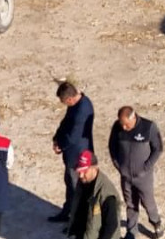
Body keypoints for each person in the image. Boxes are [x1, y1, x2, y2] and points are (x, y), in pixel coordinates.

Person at [106, 106, 165, 239]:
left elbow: (158, 149)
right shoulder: (117, 127)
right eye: (121, 124)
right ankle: (131, 231)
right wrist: (119, 166)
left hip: (144, 177)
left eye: (126, 124)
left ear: (133, 117)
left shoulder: (148, 127)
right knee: (130, 204)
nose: (124, 127)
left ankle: (156, 223)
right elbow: (112, 147)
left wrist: (146, 167)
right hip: (126, 176)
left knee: (148, 203)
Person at [48, 81, 94, 224]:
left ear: (69, 99)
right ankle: (68, 212)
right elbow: (66, 122)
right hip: (72, 154)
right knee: (70, 184)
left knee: (77, 188)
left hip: (78, 156)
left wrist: (61, 145)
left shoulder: (82, 111)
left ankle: (77, 221)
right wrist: (57, 138)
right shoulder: (77, 104)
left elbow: (74, 136)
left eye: (63, 101)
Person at [67, 149, 122, 239]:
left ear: (94, 168)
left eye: (84, 171)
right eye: (79, 171)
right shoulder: (83, 182)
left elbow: (111, 226)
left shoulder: (106, 192)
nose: (81, 175)